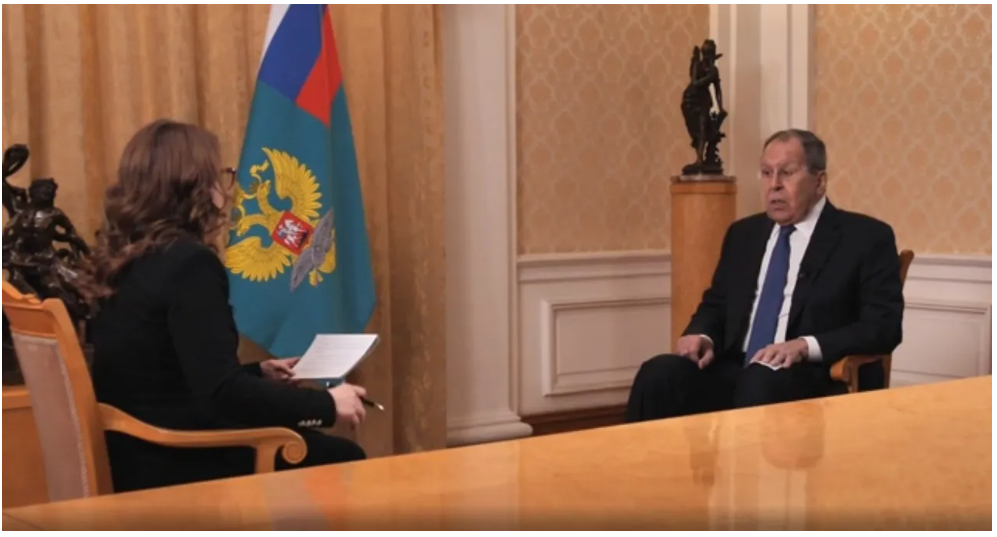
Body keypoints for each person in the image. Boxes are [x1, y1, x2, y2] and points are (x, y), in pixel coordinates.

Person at [80, 119, 368, 493]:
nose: (225, 188)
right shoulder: (189, 264)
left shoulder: (123, 258)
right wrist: (326, 404)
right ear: (194, 187)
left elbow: (166, 375)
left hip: (134, 453)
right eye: (218, 176)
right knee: (345, 458)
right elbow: (222, 394)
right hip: (178, 459)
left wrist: (256, 372)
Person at [625, 129, 904, 422]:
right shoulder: (743, 234)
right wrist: (701, 334)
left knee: (760, 381)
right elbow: (717, 304)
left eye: (787, 173)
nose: (774, 185)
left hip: (811, 376)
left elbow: (883, 327)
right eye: (766, 173)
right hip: (737, 367)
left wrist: (804, 346)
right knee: (658, 374)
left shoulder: (865, 238)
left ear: (819, 181)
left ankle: (745, 456)